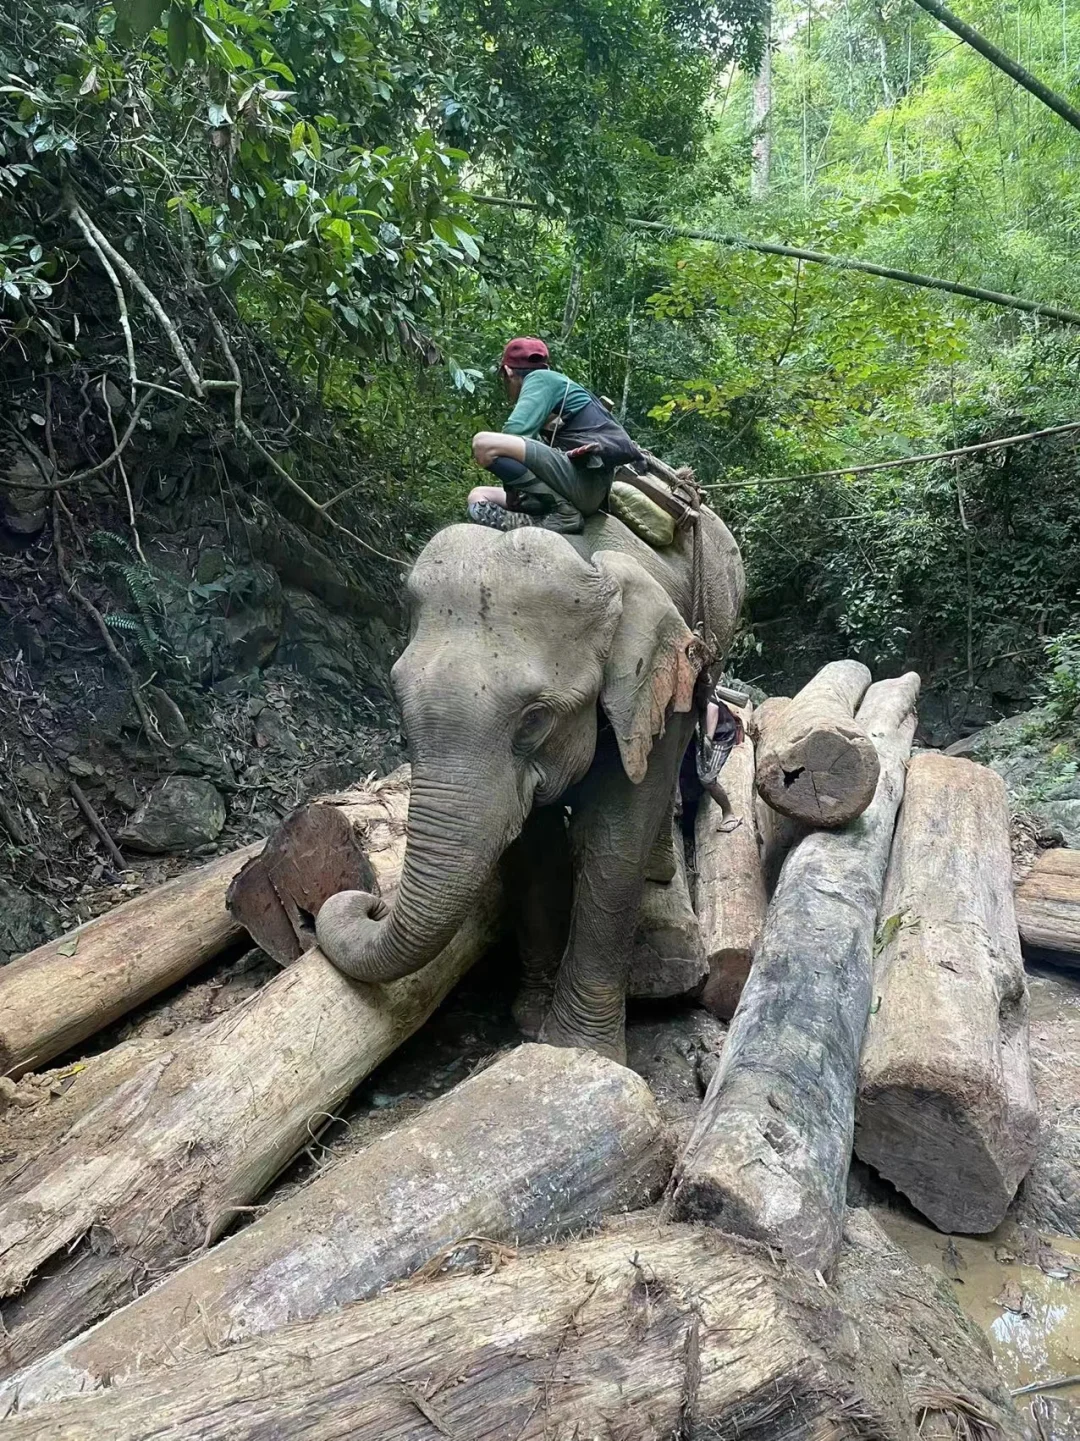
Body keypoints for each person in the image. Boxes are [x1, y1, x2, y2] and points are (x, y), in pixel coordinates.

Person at [467, 337, 646, 534]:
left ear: (508, 372)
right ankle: (539, 516)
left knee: (483, 444)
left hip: (583, 486)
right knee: (478, 495)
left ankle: (564, 514)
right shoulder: (553, 389)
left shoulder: (540, 379)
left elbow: (514, 431)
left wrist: (510, 491)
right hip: (576, 489)